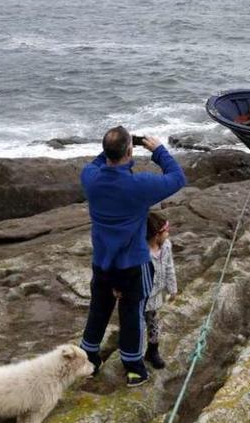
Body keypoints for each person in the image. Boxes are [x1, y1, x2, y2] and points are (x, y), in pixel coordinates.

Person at [78, 126, 186, 387]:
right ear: (130, 150)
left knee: (98, 311)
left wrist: (114, 148)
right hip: (133, 265)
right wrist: (158, 150)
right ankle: (134, 368)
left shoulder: (90, 179)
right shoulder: (140, 185)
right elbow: (178, 177)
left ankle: (89, 360)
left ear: (106, 152)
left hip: (103, 264)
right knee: (132, 314)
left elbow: (98, 162)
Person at [143, 211, 177, 369]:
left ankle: (152, 351)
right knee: (136, 327)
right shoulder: (142, 252)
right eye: (166, 230)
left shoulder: (166, 246)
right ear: (157, 234)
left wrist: (172, 289)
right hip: (141, 298)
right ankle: (133, 357)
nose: (168, 233)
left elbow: (170, 267)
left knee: (154, 325)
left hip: (156, 296)